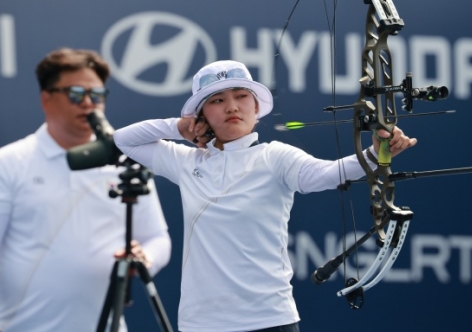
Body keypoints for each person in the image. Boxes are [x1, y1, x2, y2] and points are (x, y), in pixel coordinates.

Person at [113, 60, 417, 332]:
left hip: (269, 320)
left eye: (241, 97)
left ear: (256, 107)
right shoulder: (185, 161)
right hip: (200, 322)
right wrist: (178, 127)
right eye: (217, 100)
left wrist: (377, 153)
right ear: (201, 115)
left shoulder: (275, 156)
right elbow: (123, 140)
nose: (232, 107)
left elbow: (327, 174)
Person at [0, 48, 172, 332]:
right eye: (76, 94)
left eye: (98, 95)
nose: (89, 104)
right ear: (46, 98)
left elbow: (157, 238)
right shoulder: (9, 163)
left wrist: (145, 258)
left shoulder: (127, 161)